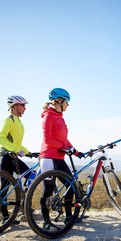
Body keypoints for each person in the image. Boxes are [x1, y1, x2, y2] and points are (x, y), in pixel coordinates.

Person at [39, 88, 84, 229]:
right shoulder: (48, 117)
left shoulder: (60, 117)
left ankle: (68, 217)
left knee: (71, 185)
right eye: (67, 102)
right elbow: (48, 139)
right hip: (48, 158)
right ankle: (46, 222)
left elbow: (64, 140)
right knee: (48, 191)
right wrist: (62, 147)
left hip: (59, 157)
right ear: (59, 101)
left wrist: (76, 152)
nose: (68, 105)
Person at [0, 95, 31, 223]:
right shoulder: (9, 120)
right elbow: (1, 138)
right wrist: (15, 149)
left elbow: (17, 143)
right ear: (16, 106)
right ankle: (4, 216)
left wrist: (29, 152)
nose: (25, 108)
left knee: (31, 176)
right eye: (23, 106)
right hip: (6, 156)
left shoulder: (18, 120)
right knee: (5, 186)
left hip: (13, 156)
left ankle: (24, 202)